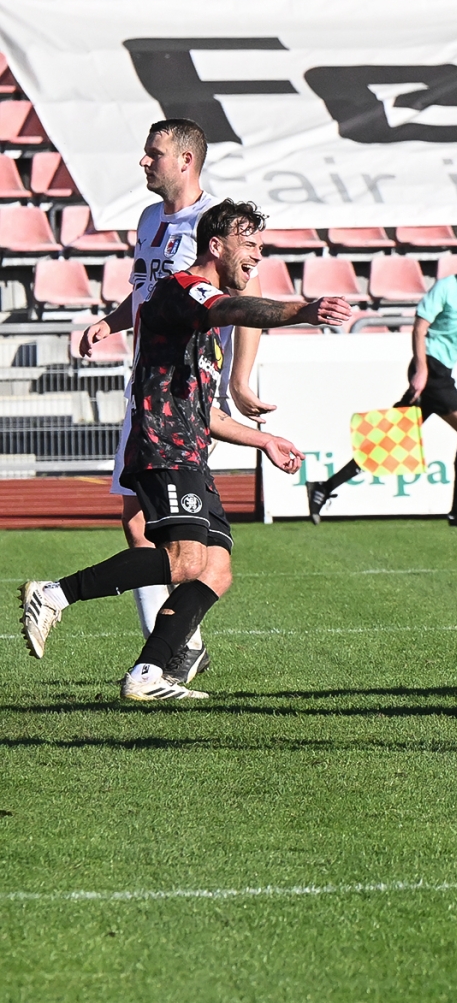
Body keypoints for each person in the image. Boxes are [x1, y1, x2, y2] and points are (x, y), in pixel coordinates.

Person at [20, 201, 349, 700]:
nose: (258, 255)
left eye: (261, 246)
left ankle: (148, 674)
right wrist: (300, 311)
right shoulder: (183, 290)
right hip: (163, 447)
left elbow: (205, 412)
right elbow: (233, 309)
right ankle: (53, 594)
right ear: (215, 246)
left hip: (189, 450)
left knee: (216, 569)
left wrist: (264, 439)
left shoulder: (203, 327)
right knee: (184, 560)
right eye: (249, 245)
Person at [75, 118, 272, 684]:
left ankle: (168, 648)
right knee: (141, 522)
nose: (144, 161)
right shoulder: (148, 219)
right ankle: (178, 647)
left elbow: (249, 299)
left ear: (185, 160)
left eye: (153, 153)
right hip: (149, 383)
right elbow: (145, 293)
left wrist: (240, 380)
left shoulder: (216, 223)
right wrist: (111, 322)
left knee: (165, 532)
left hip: (186, 390)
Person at [306, 236, 457, 528]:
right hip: (431, 367)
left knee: (390, 439)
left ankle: (324, 487)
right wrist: (421, 370)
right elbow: (420, 326)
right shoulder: (448, 286)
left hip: (441, 371)